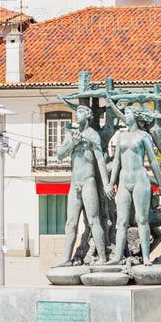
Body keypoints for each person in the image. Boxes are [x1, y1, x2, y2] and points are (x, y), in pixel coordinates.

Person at [109, 105, 161, 265]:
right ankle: (117, 257)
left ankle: (146, 257)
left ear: (135, 116)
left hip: (140, 179)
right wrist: (110, 183)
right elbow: (116, 161)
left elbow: (153, 160)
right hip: (124, 180)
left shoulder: (143, 136)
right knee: (121, 221)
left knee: (142, 219)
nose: (125, 115)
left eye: (127, 113)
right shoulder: (121, 136)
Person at [57, 105, 114, 265]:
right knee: (70, 223)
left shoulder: (92, 135)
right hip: (74, 184)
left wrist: (107, 184)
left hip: (88, 182)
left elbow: (100, 159)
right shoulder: (71, 134)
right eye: (77, 112)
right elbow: (60, 155)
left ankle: (103, 257)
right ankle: (66, 259)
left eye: (81, 112)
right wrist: (72, 143)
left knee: (94, 220)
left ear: (88, 115)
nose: (77, 115)